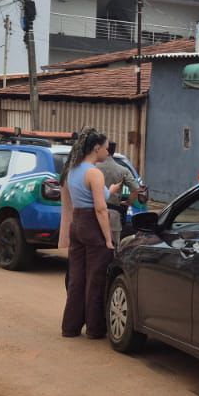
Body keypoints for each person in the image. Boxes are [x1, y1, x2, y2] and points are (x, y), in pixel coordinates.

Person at [59, 129, 115, 339]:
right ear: (96, 148)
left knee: (77, 279)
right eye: (107, 148)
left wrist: (112, 189)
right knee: (95, 279)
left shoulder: (72, 170)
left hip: (77, 224)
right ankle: (94, 328)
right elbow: (100, 209)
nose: (108, 152)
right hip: (92, 226)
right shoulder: (94, 173)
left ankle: (70, 327)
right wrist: (108, 239)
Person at [96, 140, 146, 242]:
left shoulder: (93, 168)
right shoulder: (123, 170)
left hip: (94, 215)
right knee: (113, 246)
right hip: (114, 215)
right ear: (113, 151)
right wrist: (128, 202)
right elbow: (136, 189)